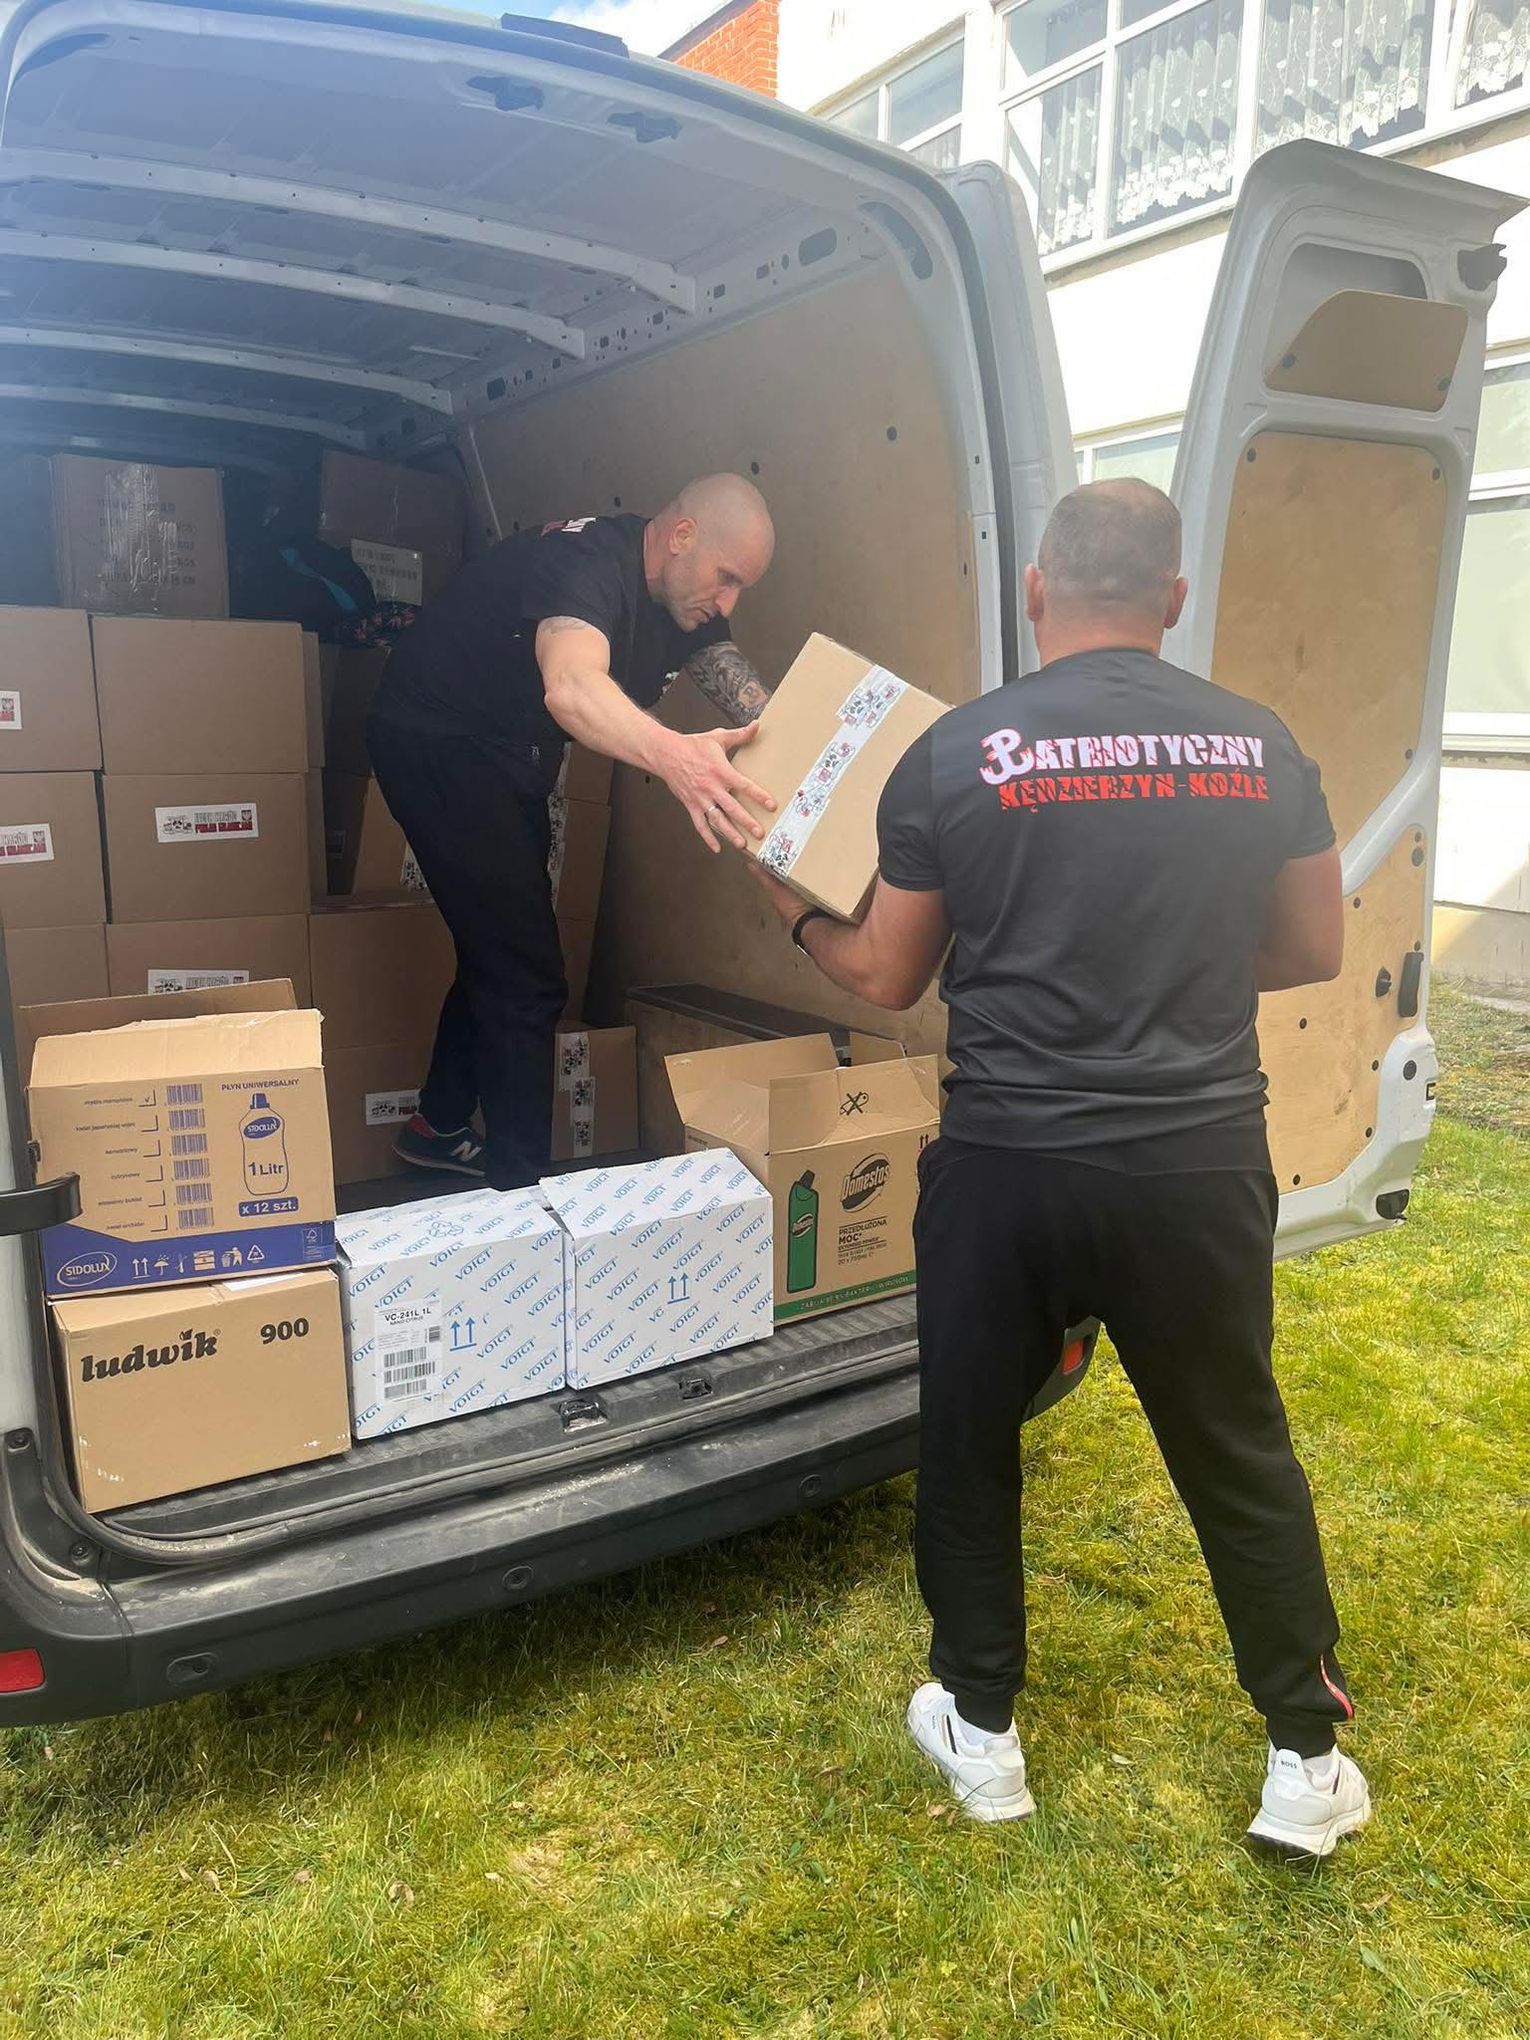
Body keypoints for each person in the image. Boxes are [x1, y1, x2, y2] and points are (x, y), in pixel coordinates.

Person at [754, 479, 1370, 1858]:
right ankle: (1303, 1759)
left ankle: (982, 1736)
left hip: (1009, 1165)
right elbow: (1312, 947)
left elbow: (886, 973)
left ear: (1036, 590)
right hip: (1191, 1163)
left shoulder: (955, 753)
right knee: (1235, 1445)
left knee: (969, 1441)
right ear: (1173, 598)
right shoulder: (1262, 746)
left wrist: (789, 902)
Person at [369, 474, 777, 1190]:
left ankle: (438, 1124)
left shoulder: (687, 605)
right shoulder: (585, 564)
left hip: (510, 753)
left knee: (503, 948)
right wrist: (677, 757)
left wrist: (815, 758)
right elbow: (571, 685)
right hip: (437, 740)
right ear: (681, 537)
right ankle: (526, 1200)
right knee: (527, 977)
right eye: (727, 578)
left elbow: (749, 701)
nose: (728, 603)